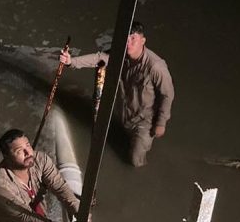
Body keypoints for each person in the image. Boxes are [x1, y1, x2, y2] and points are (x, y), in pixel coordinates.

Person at [60, 21, 175, 167]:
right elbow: (98, 58)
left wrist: (161, 123)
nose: (128, 42)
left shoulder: (156, 66)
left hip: (145, 122)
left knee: (135, 160)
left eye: (133, 38)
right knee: (117, 141)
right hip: (123, 114)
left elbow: (167, 95)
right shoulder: (120, 54)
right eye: (125, 38)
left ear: (143, 41)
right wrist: (71, 61)